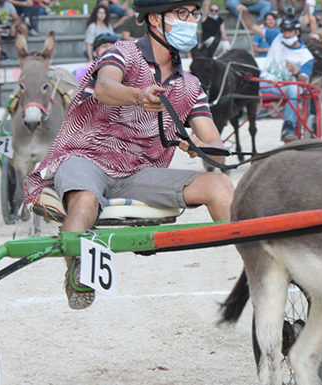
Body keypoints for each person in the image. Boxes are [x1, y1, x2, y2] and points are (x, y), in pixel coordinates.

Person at [24, 0, 232, 310]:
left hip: (140, 171)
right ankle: (77, 270)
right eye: (181, 13)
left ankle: (257, 261)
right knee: (84, 199)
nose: (191, 21)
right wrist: (138, 95)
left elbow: (212, 137)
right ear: (154, 19)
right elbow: (105, 87)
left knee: (219, 186)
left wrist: (203, 147)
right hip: (86, 156)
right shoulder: (122, 52)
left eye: (193, 13)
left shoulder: (190, 85)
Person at [259, 15, 314, 142]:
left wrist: (296, 71)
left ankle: (288, 127)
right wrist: (244, 12)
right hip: (267, 83)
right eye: (284, 31)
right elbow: (251, 26)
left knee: (294, 87)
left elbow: (303, 81)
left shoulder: (306, 56)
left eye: (289, 31)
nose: (286, 34)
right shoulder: (277, 38)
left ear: (297, 32)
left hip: (288, 89)